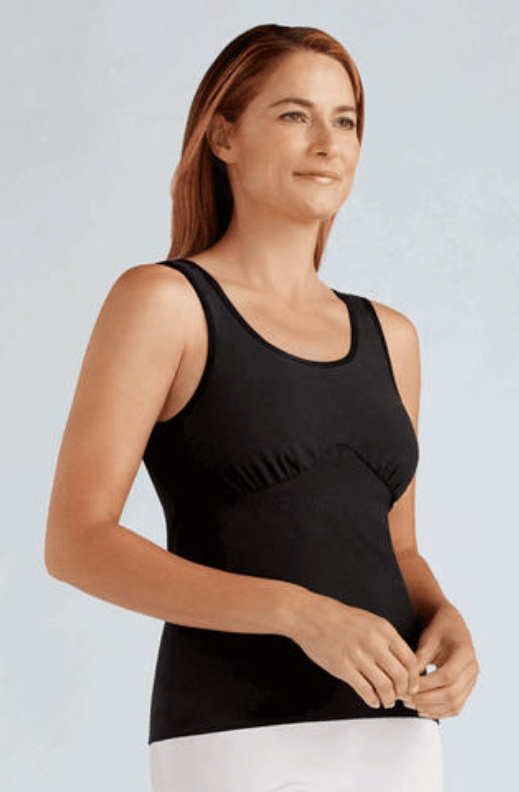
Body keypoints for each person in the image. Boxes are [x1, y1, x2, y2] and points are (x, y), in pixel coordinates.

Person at [45, 23, 480, 792]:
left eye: (344, 120)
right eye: (293, 115)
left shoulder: (392, 336)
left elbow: (396, 547)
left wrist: (445, 618)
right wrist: (297, 612)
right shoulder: (165, 303)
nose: (327, 143)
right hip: (236, 738)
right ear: (223, 137)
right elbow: (77, 543)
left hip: (399, 739)